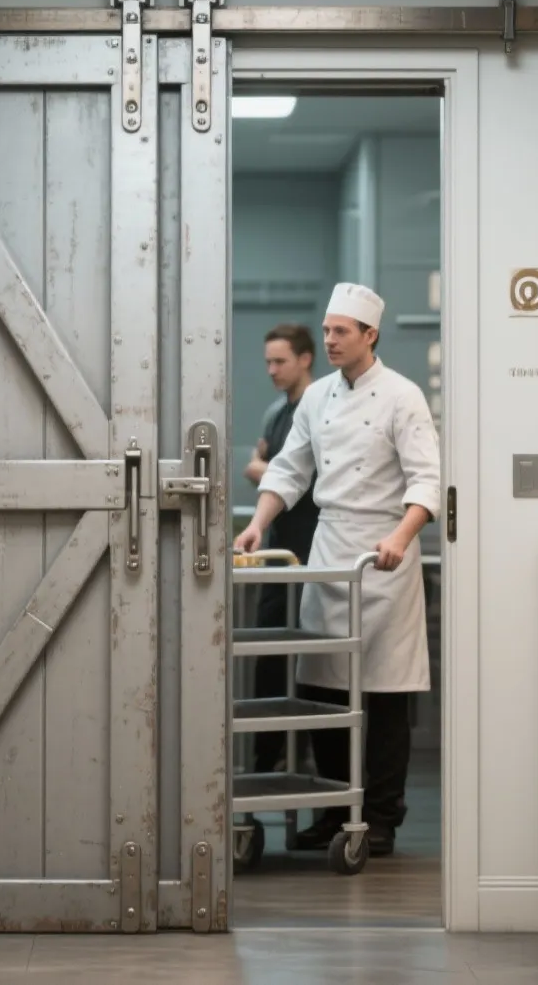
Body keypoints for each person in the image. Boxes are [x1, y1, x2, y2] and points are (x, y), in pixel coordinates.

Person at [233, 283, 440, 857]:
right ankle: (332, 810)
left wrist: (401, 535)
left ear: (370, 335)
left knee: (384, 697)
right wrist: (257, 524)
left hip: (383, 558)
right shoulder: (318, 397)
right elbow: (288, 471)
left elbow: (426, 480)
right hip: (328, 553)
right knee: (322, 693)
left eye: (340, 332)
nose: (329, 340)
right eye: (325, 330)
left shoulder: (403, 396)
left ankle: (379, 818)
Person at [242, 323, 321, 774]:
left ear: (305, 359)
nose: (272, 370)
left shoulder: (318, 409)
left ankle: (307, 754)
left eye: (280, 362)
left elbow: (280, 472)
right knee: (268, 653)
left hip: (314, 551)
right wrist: (267, 468)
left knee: (314, 659)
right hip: (278, 550)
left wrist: (265, 468)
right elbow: (261, 465)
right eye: (268, 361)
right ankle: (265, 758)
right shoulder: (276, 412)